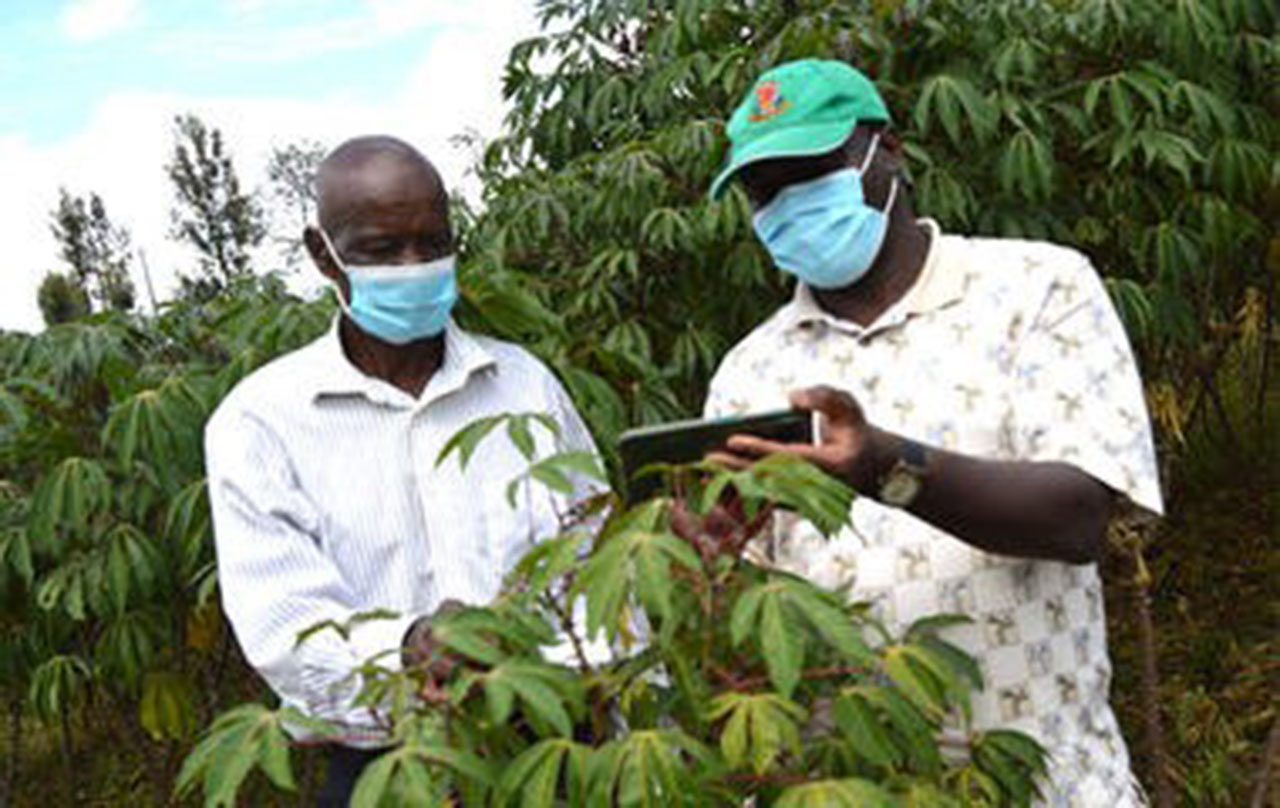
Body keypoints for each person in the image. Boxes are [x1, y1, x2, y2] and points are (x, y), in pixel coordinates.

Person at [703, 59, 1163, 806]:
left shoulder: (1038, 288)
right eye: (764, 191)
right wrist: (705, 570)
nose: (787, 203)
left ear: (888, 149)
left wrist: (887, 467)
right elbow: (747, 643)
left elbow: (1078, 515)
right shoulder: (747, 371)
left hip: (1047, 785)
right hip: (849, 787)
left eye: (808, 172)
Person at [203, 136, 598, 806]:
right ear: (321, 253)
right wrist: (408, 648)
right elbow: (281, 627)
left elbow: (593, 555)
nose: (414, 266)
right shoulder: (259, 422)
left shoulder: (524, 384)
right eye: (382, 250)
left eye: (432, 242)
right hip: (385, 766)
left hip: (552, 742)